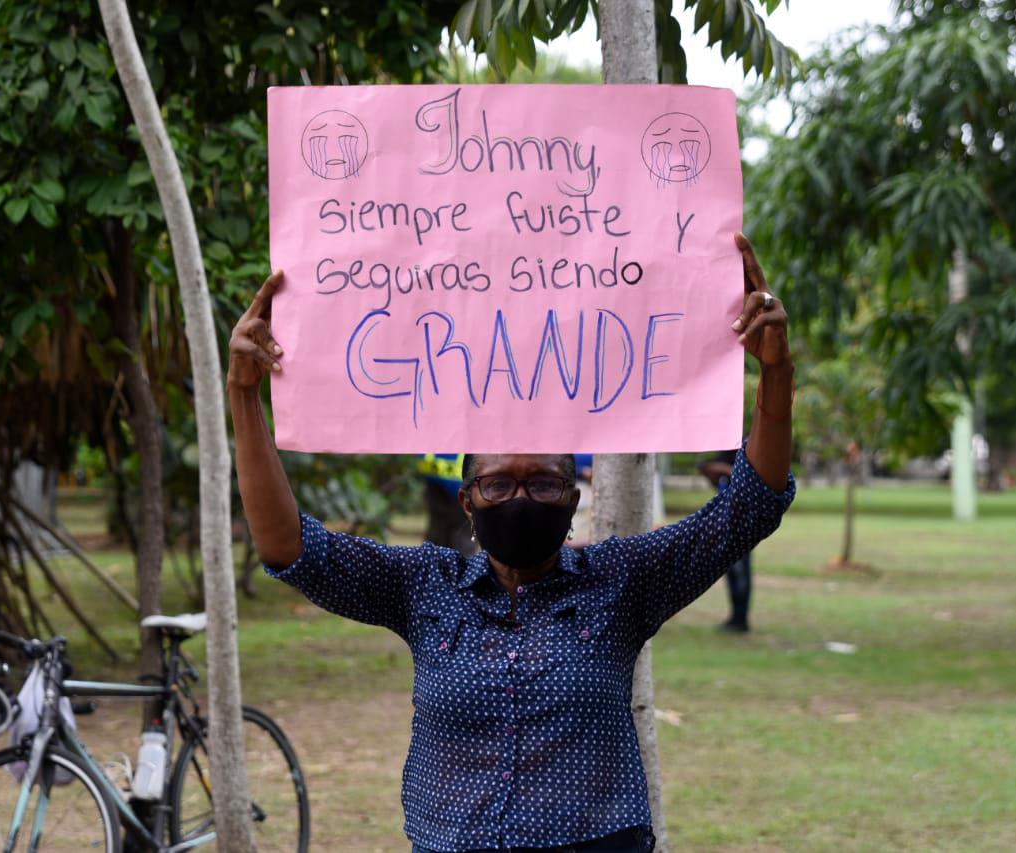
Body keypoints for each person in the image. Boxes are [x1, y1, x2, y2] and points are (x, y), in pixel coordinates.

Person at [226, 233, 796, 853]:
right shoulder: (424, 587)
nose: (520, 498)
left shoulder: (622, 581)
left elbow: (750, 506)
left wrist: (775, 371)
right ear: (468, 500)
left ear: (572, 499)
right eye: (498, 484)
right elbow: (290, 548)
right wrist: (244, 395)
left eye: (544, 483)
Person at [698, 451, 753, 633]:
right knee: (731, 570)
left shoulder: (745, 449)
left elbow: (748, 477)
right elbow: (715, 479)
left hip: (742, 518)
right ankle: (736, 617)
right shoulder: (725, 450)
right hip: (726, 517)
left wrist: (723, 469)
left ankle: (741, 618)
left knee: (740, 571)